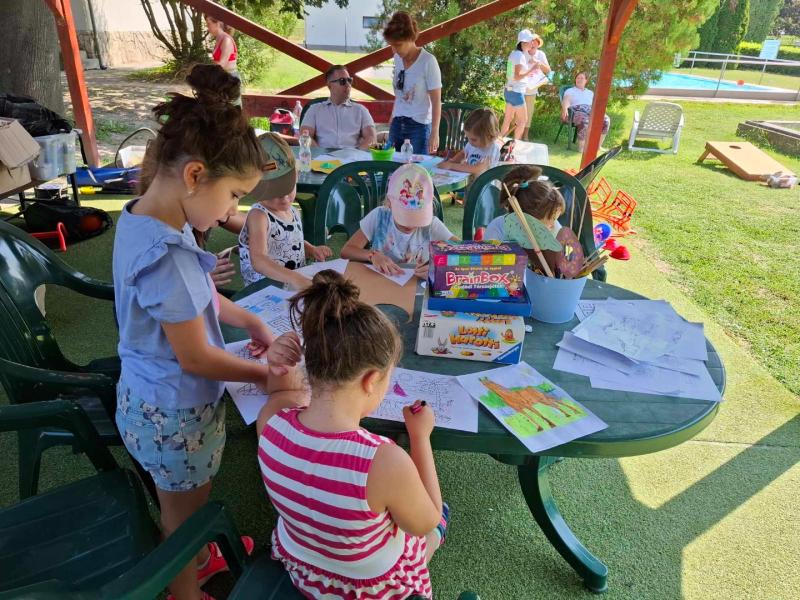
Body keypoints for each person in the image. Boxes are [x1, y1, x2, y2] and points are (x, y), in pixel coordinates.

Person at [112, 64, 298, 600]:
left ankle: (197, 557)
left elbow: (198, 301)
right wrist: (265, 375)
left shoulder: (144, 219)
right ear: (195, 175)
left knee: (187, 502)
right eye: (235, 195)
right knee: (183, 520)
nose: (232, 212)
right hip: (175, 412)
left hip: (155, 401)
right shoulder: (168, 255)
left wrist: (252, 320)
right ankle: (185, 587)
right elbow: (195, 356)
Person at [256, 270, 448, 599]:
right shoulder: (384, 461)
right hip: (368, 588)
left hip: (306, 571)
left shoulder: (270, 422)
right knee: (439, 520)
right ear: (371, 380)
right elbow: (424, 521)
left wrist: (277, 365)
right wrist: (420, 438)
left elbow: (282, 394)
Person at [238, 133, 332, 289]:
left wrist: (311, 249)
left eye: (288, 187)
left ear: (296, 177)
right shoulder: (259, 216)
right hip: (265, 289)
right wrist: (294, 277)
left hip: (292, 284)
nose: (284, 196)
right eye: (274, 190)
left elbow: (291, 242)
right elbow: (259, 259)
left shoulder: (293, 211)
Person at [341, 163, 456, 279]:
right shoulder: (379, 216)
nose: (410, 226)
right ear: (389, 203)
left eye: (417, 219)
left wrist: (440, 266)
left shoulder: (432, 225)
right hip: (381, 282)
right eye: (404, 218)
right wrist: (372, 255)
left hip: (417, 285)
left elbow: (463, 254)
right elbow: (346, 251)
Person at [383, 12, 442, 155]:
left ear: (410, 38)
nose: (394, 50)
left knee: (416, 167)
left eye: (398, 45)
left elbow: (436, 101)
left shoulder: (428, 61)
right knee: (392, 166)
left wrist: (435, 132)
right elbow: (399, 93)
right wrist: (393, 117)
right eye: (391, 45)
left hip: (419, 126)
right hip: (397, 123)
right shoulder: (397, 58)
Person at [299, 65, 377, 150]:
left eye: (349, 80)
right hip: (323, 155)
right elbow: (304, 136)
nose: (348, 84)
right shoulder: (314, 109)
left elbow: (371, 138)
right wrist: (319, 153)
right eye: (342, 81)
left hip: (352, 155)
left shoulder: (361, 110)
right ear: (329, 85)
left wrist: (357, 154)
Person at [483, 165, 565, 241]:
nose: (554, 225)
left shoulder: (554, 229)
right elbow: (490, 251)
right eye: (550, 220)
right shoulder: (497, 229)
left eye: (555, 219)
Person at [499, 30, 540, 140]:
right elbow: (517, 76)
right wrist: (532, 69)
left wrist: (528, 68)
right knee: (523, 121)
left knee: (507, 119)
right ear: (524, 42)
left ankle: (500, 143)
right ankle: (515, 145)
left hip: (509, 90)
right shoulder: (519, 56)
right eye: (531, 41)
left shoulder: (514, 54)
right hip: (516, 93)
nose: (532, 43)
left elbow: (511, 75)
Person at [436, 108, 502, 176]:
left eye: (473, 139)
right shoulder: (472, 144)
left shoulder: (492, 149)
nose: (469, 142)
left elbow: (477, 169)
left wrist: (451, 165)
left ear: (488, 136)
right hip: (470, 178)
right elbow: (463, 153)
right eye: (467, 138)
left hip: (484, 181)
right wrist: (452, 161)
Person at [561, 72, 611, 152]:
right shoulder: (570, 90)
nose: (579, 80)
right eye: (578, 78)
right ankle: (581, 147)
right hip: (576, 111)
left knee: (606, 120)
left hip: (591, 111)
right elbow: (566, 100)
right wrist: (565, 109)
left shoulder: (590, 92)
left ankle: (598, 146)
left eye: (582, 78)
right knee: (584, 120)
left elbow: (595, 104)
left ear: (586, 81)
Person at [521, 33, 550, 141]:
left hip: (532, 89)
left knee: (529, 113)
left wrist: (538, 63)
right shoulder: (521, 53)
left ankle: (525, 136)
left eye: (535, 42)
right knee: (517, 112)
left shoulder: (541, 54)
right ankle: (516, 134)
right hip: (519, 88)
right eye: (531, 41)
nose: (533, 44)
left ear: (538, 44)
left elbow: (548, 70)